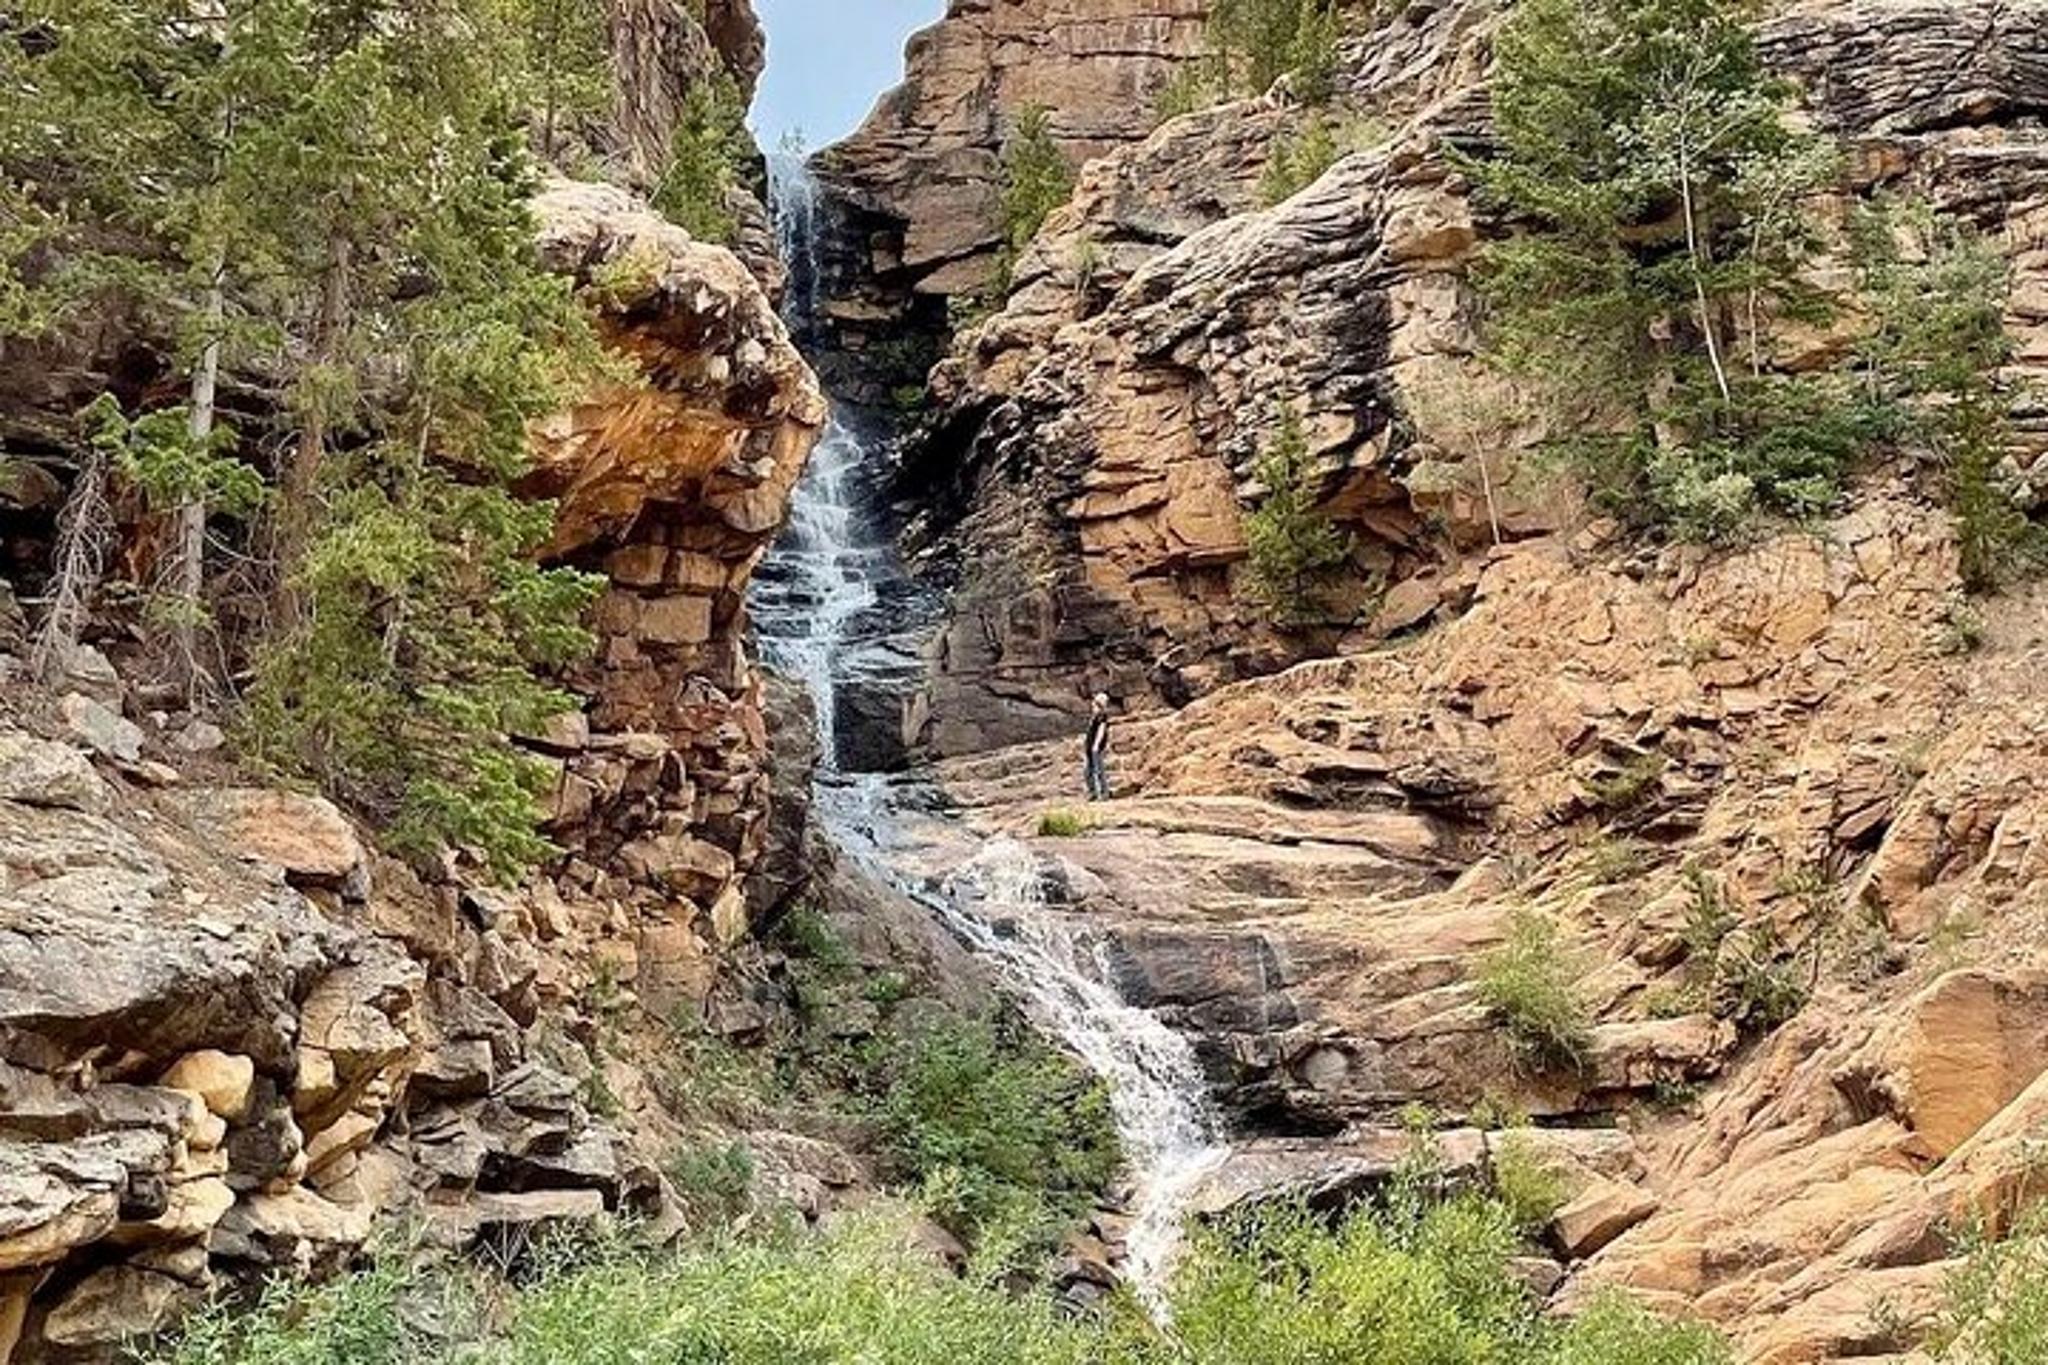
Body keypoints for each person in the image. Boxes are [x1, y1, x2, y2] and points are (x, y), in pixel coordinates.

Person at [1083, 692, 1112, 801]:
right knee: (1087, 772)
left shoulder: (1102, 716)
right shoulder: (1094, 717)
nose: (1092, 707)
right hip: (1089, 749)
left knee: (1099, 770)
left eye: (1094, 705)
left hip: (1096, 749)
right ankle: (1093, 792)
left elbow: (1101, 731)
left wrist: (1096, 745)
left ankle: (1104, 793)